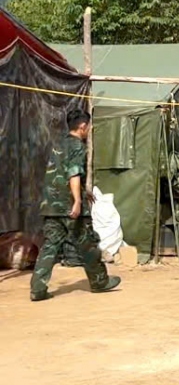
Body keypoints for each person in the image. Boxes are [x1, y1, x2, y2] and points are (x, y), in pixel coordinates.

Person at [30, 110, 121, 301]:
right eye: (89, 126)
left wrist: (83, 191)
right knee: (88, 244)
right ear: (82, 127)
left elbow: (59, 173)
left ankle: (37, 289)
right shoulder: (78, 146)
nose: (89, 130)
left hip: (51, 207)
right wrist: (78, 200)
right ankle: (99, 281)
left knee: (50, 247)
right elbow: (73, 173)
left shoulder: (58, 144)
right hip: (70, 207)